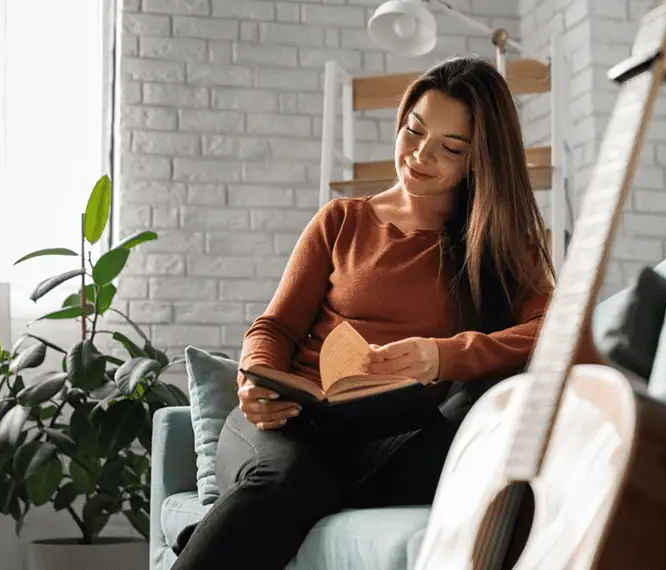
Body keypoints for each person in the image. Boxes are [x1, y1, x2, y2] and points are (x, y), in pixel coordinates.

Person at [170, 55, 556, 570]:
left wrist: (442, 356)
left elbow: (552, 331)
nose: (419, 155)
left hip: (392, 441)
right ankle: (257, 514)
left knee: (473, 422)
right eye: (413, 131)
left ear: (479, 160)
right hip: (286, 423)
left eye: (450, 148)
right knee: (290, 476)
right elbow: (275, 326)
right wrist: (254, 381)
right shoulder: (342, 221)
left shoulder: (501, 245)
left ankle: (235, 526)